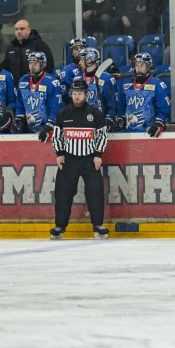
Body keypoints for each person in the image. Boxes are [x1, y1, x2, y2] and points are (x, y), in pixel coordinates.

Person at [49, 78, 109, 240]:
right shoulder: (63, 113)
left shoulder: (95, 113)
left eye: (80, 94)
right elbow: (57, 135)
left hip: (90, 160)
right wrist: (59, 153)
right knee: (63, 193)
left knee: (95, 193)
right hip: (69, 160)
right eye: (74, 93)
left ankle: (98, 225)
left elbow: (102, 135)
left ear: (86, 95)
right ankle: (60, 226)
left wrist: (98, 154)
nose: (77, 97)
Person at [116, 52, 171, 134]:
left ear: (148, 66)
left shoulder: (157, 85)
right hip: (128, 133)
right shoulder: (126, 84)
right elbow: (121, 106)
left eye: (142, 65)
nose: (138, 68)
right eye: (137, 65)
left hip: (149, 132)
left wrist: (158, 123)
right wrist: (121, 119)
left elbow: (163, 109)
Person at [13, 51, 63, 136]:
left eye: (35, 63)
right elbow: (20, 104)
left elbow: (56, 108)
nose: (32, 66)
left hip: (47, 129)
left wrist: (50, 125)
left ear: (42, 64)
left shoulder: (52, 82)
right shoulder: (23, 81)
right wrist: (19, 119)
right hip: (28, 129)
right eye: (30, 63)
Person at [74, 47, 117, 129]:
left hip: (100, 124)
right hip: (81, 124)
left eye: (82, 59)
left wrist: (109, 118)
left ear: (90, 60)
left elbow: (112, 104)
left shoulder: (106, 79)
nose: (79, 62)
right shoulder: (77, 78)